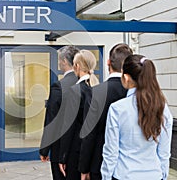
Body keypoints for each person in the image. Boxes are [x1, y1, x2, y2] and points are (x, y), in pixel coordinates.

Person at [101, 54, 173, 180]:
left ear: (127, 77)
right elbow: (164, 152)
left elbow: (111, 153)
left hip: (125, 174)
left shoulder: (117, 109)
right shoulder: (163, 108)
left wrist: (106, 176)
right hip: (154, 175)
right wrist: (163, 174)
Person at [78, 43, 133, 180]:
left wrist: (84, 167)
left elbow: (89, 133)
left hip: (100, 162)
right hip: (132, 165)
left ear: (108, 62)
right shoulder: (139, 93)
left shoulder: (96, 92)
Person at [39, 45, 79, 180]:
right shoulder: (87, 84)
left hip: (60, 147)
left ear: (64, 62)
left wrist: (44, 149)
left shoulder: (58, 86)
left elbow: (51, 119)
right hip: (80, 148)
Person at [58, 50, 99, 180]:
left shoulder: (75, 91)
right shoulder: (98, 89)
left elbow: (68, 128)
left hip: (75, 152)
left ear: (77, 67)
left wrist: (62, 157)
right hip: (94, 152)